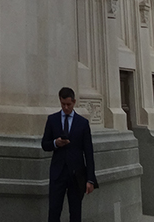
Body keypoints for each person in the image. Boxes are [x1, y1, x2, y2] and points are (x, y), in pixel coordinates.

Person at [41, 86, 96, 222]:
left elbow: (88, 152)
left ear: (74, 102)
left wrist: (90, 179)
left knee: (75, 212)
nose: (66, 107)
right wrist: (55, 143)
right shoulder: (52, 120)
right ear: (60, 101)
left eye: (68, 104)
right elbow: (44, 144)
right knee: (54, 210)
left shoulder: (82, 123)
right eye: (63, 104)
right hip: (58, 172)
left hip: (76, 174)